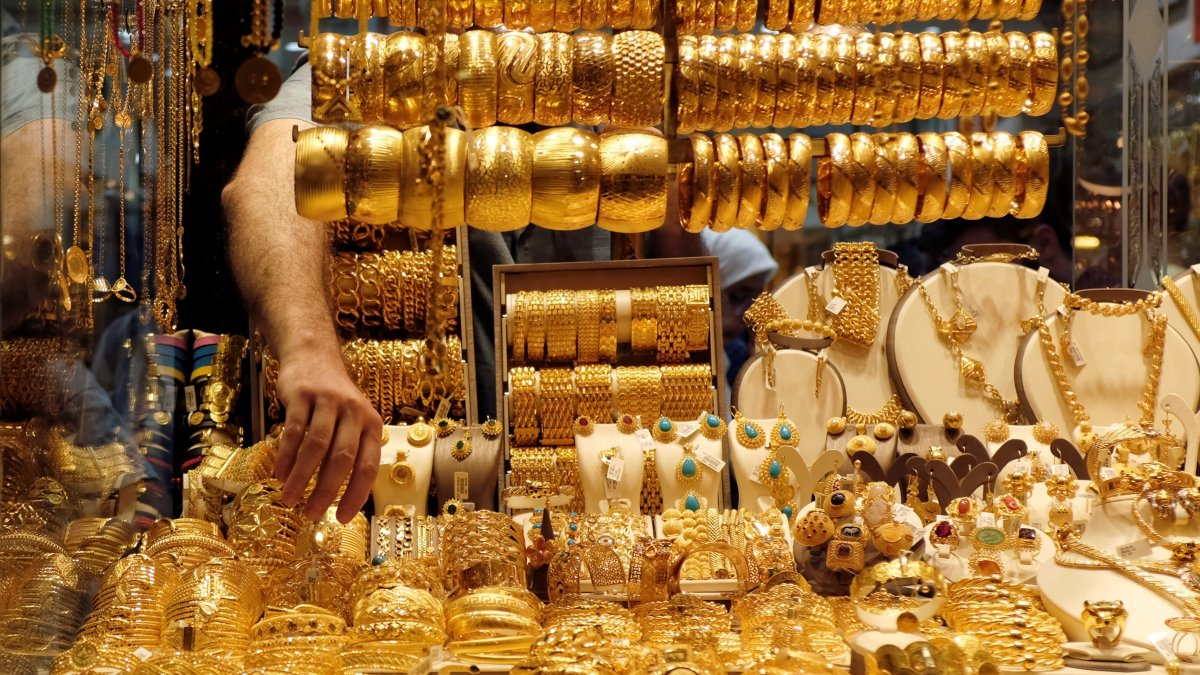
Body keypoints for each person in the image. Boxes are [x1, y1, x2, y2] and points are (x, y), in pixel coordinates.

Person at [222, 60, 702, 522]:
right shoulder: (374, 67)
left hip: (615, 484)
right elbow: (271, 183)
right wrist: (308, 349)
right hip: (409, 487)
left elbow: (684, 281)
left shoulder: (618, 75)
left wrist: (661, 176)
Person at [698, 229, 779, 396]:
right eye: (738, 296)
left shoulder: (738, 356)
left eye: (753, 300)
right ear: (708, 286)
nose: (747, 314)